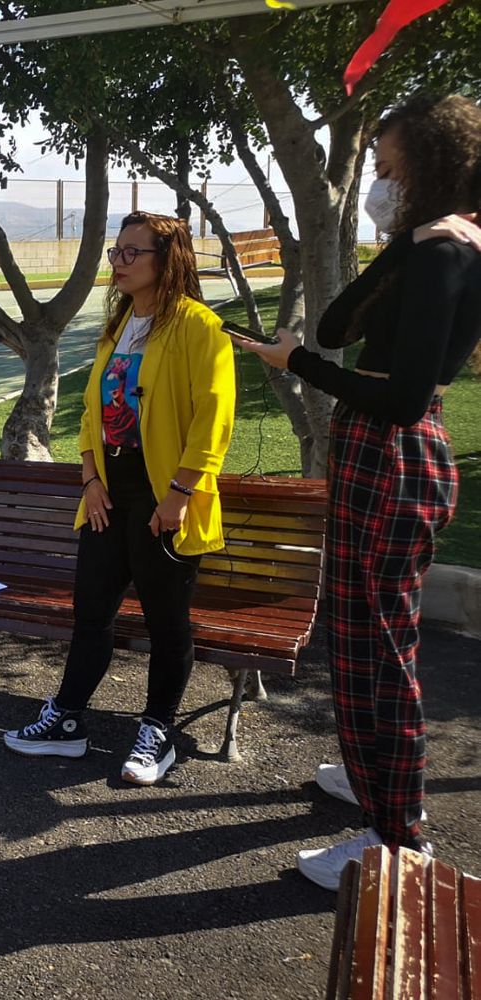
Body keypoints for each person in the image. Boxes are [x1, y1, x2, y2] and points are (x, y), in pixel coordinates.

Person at [233, 93, 481, 890]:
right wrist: (400, 239)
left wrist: (295, 366)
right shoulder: (428, 247)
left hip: (396, 453)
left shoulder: (449, 255)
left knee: (380, 650)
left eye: (386, 169)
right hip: (379, 455)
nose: (376, 184)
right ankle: (372, 780)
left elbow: (402, 394)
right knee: (360, 633)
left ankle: (397, 838)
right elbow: (339, 325)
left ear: (430, 167)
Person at [3, 212, 236, 785]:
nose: (118, 262)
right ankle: (66, 723)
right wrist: (89, 479)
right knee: (91, 615)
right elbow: (90, 415)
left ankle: (157, 734)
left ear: (168, 258)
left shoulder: (199, 326)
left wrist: (180, 495)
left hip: (166, 497)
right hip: (109, 494)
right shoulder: (121, 325)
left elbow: (214, 421)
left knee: (166, 622)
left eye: (132, 253)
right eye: (116, 251)